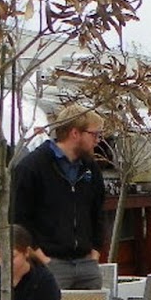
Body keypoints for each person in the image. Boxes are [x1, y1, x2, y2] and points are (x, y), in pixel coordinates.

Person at [12, 107, 107, 290]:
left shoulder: (90, 168)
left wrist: (95, 252)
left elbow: (98, 211)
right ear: (74, 133)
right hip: (51, 264)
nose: (97, 141)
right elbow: (19, 218)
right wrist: (42, 258)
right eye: (94, 135)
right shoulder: (32, 167)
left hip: (87, 265)